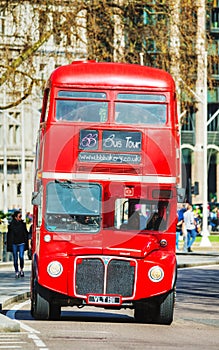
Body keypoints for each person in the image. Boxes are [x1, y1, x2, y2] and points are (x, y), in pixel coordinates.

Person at [6, 210, 29, 278]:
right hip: (14, 243)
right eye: (19, 216)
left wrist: (27, 242)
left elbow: (26, 233)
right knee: (15, 258)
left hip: (22, 243)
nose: (21, 218)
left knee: (21, 257)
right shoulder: (11, 225)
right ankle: (16, 271)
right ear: (16, 217)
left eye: (21, 216)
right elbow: (9, 235)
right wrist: (8, 242)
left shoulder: (23, 224)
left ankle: (21, 269)